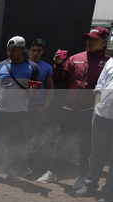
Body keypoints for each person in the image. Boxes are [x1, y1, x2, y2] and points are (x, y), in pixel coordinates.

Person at [36, 27, 110, 188]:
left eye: (94, 39)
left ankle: (82, 177)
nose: (89, 42)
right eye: (88, 38)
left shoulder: (108, 63)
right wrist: (58, 64)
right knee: (60, 141)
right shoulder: (75, 58)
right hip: (68, 109)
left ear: (104, 41)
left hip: (89, 111)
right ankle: (52, 172)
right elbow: (59, 78)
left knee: (86, 146)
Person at [0, 36, 40, 182]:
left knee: (14, 144)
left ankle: (11, 171)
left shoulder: (33, 68)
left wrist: (34, 96)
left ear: (23, 50)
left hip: (18, 113)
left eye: (14, 50)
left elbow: (35, 93)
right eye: (8, 50)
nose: (10, 53)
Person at [72, 57, 113, 202]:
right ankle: (90, 186)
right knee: (96, 153)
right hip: (101, 113)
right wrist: (97, 107)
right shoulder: (110, 62)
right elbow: (100, 86)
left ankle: (108, 192)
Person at [19, 38, 54, 176]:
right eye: (33, 50)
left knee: (32, 138)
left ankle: (25, 164)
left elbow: (51, 89)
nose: (36, 53)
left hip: (37, 109)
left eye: (39, 51)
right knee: (20, 136)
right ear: (27, 51)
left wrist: (45, 107)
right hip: (20, 107)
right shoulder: (18, 65)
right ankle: (16, 163)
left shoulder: (47, 67)